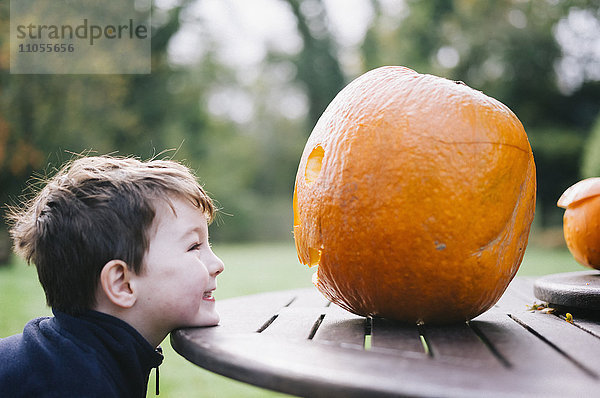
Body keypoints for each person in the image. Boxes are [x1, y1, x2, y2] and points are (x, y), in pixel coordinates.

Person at [0, 155, 225, 397]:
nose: (218, 264)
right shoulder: (81, 387)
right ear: (122, 284)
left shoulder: (72, 355)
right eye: (193, 246)